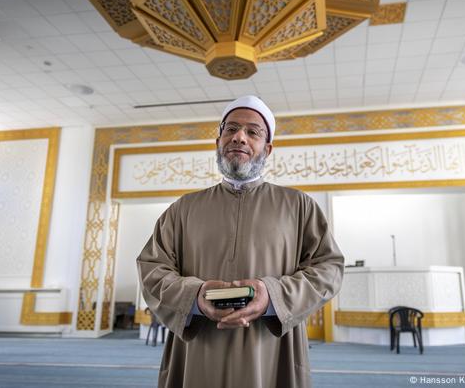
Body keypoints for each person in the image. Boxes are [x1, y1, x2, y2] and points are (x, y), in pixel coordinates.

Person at [137, 95, 344, 388]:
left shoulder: (299, 206)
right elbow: (151, 270)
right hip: (197, 353)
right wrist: (195, 296)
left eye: (252, 132)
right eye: (230, 129)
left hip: (271, 353)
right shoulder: (183, 209)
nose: (239, 138)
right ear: (218, 141)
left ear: (267, 148)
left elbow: (329, 268)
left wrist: (272, 295)